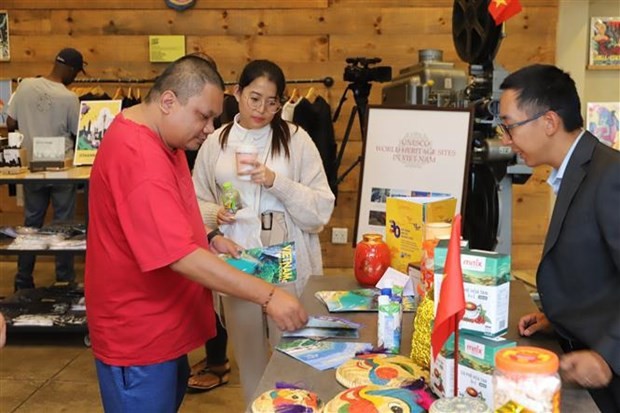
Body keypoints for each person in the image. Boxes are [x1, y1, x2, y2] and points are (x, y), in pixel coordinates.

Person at [85, 55, 307, 413]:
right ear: (169, 101)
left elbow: (166, 220)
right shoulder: (139, 156)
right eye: (203, 116)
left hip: (164, 328)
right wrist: (268, 296)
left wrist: (210, 238)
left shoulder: (165, 139)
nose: (208, 128)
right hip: (139, 336)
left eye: (213, 119)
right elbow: (179, 256)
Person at [192, 59, 335, 402]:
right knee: (248, 352)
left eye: (272, 102)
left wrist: (276, 181)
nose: (262, 109)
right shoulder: (217, 142)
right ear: (237, 93)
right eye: (254, 98)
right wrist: (216, 215)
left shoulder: (296, 139)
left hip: (282, 247)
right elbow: (194, 199)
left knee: (294, 346)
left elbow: (321, 208)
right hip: (237, 251)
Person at [498, 64, 620, 412]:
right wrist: (560, 318)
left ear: (549, 122)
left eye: (510, 126)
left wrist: (607, 355)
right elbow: (599, 272)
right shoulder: (576, 170)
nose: (506, 140)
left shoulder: (611, 175)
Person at [7, 47, 85, 291]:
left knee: (31, 224)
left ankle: (22, 280)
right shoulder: (69, 98)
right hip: (63, 169)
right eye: (77, 73)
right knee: (64, 224)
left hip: (33, 168)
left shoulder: (25, 86)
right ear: (71, 70)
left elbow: (10, 123)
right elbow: (77, 132)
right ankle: (64, 280)